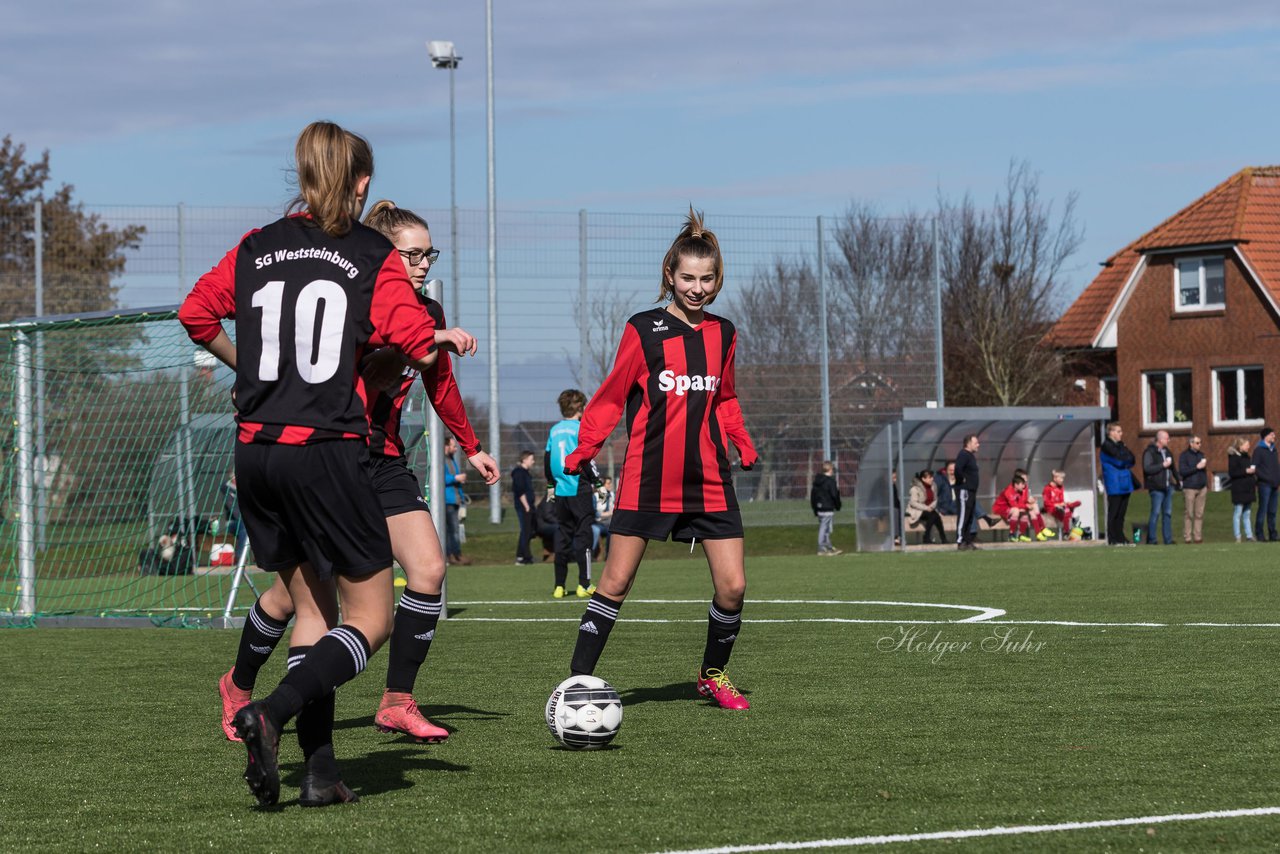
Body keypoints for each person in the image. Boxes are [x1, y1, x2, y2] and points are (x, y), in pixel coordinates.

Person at [178, 121, 442, 807]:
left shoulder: (256, 246)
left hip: (256, 451)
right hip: (324, 451)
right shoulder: (369, 253)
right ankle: (270, 710)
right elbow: (414, 343)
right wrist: (417, 345)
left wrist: (251, 374)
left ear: (300, 178)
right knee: (373, 617)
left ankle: (320, 774)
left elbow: (195, 313)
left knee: (313, 609)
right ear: (361, 184)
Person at [211, 199, 500, 755]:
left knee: (429, 569)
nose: (421, 264)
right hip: (328, 456)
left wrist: (473, 446)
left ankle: (396, 700)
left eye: (427, 254)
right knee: (294, 598)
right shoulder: (351, 296)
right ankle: (239, 685)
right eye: (411, 254)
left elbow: (440, 384)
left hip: (383, 458)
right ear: (382, 254)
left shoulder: (429, 314)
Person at [560, 208, 758, 710]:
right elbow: (609, 398)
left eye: (706, 278)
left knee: (733, 586)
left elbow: (726, 399)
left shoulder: (725, 333)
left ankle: (713, 675)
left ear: (718, 280)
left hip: (711, 480)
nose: (696, 287)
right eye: (687, 277)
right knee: (616, 581)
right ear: (669, 275)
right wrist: (585, 449)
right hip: (650, 479)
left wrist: (741, 439)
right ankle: (576, 683)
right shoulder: (642, 329)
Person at [546, 389, 599, 599]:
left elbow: (547, 459)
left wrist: (550, 484)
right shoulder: (580, 428)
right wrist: (598, 482)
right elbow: (585, 459)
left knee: (563, 535)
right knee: (583, 536)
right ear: (579, 407)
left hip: (560, 491)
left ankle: (559, 586)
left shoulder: (554, 430)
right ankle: (583, 584)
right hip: (579, 488)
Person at [1100, 422, 1137, 546]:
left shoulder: (1121, 445)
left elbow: (1132, 459)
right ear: (1111, 432)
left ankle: (1120, 537)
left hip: (1125, 482)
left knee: (1121, 513)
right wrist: (1125, 458)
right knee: (1114, 512)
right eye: (1118, 431)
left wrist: (1125, 456)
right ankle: (1112, 538)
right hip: (1114, 482)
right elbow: (1119, 461)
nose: (1121, 434)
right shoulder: (1107, 445)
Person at [992, 473, 1052, 542]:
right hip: (1000, 508)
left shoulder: (1021, 490)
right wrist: (1027, 506)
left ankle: (1022, 535)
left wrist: (1029, 502)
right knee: (1016, 510)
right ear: (1016, 485)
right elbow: (1014, 505)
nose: (1024, 485)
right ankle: (1012, 535)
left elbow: (1021, 503)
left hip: (1011, 508)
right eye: (1022, 483)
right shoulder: (1009, 491)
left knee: (1025, 513)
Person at [1142, 429, 1178, 545]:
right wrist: (1162, 465)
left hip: (1168, 487)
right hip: (1156, 487)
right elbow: (1147, 468)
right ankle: (1152, 539)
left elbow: (1173, 468)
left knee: (1167, 514)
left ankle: (1168, 539)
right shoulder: (1149, 452)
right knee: (1155, 513)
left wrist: (1178, 481)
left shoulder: (1167, 452)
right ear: (1160, 439)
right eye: (1167, 438)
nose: (1169, 440)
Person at [443, 435, 471, 565]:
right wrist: (456, 478)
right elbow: (440, 478)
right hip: (447, 501)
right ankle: (451, 555)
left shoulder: (451, 460)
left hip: (455, 500)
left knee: (454, 529)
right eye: (453, 446)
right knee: (451, 529)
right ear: (446, 446)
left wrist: (461, 498)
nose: (455, 449)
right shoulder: (441, 460)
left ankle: (455, 554)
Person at [1177, 435, 1208, 544]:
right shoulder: (1184, 456)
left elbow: (1204, 470)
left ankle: (1198, 536)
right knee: (1189, 513)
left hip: (1202, 487)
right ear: (1191, 443)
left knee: (1199, 513)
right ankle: (1187, 537)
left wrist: (1205, 483)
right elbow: (1182, 471)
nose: (1200, 445)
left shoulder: (1201, 455)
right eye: (1197, 443)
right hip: (1189, 487)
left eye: (1200, 442)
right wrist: (1196, 467)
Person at [1251, 426, 1279, 541]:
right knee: (1263, 509)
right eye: (1272, 435)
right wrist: (1265, 478)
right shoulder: (1258, 450)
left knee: (1272, 511)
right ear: (1266, 436)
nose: (1274, 436)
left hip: (1274, 485)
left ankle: (1273, 533)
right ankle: (1259, 533)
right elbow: (1254, 468)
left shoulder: (1274, 450)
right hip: (1264, 485)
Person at [1228, 437, 1257, 543]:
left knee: (1247, 513)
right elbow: (1232, 473)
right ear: (1240, 446)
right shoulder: (1233, 457)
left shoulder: (1247, 457)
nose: (1248, 446)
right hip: (1239, 489)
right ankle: (1237, 536)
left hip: (1248, 489)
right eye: (1246, 445)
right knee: (1238, 513)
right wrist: (1246, 471)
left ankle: (1249, 536)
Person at [809, 460, 843, 555]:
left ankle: (829, 547)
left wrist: (815, 509)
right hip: (827, 508)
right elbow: (834, 495)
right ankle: (821, 548)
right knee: (824, 528)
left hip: (819, 508)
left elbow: (813, 496)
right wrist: (838, 505)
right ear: (831, 469)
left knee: (826, 528)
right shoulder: (830, 482)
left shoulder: (817, 482)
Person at [954, 434, 981, 550]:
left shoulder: (970, 456)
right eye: (976, 443)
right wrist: (963, 479)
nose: (978, 445)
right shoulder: (963, 454)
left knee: (970, 516)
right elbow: (958, 469)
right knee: (964, 516)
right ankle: (960, 541)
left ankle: (968, 540)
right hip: (965, 490)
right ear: (968, 443)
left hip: (971, 491)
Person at [905, 469, 945, 545]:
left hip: (930, 509)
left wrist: (931, 507)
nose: (932, 479)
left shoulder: (934, 486)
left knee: (936, 517)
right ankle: (928, 537)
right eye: (929, 477)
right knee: (933, 516)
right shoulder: (915, 489)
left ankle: (942, 538)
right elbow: (913, 503)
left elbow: (936, 499)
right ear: (923, 479)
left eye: (932, 477)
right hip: (917, 510)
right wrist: (926, 508)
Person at [512, 450, 537, 564]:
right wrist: (526, 505)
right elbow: (520, 490)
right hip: (523, 506)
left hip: (529, 505)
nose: (533, 462)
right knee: (526, 531)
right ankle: (525, 557)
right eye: (531, 459)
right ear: (525, 459)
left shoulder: (526, 472)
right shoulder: (519, 473)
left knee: (527, 531)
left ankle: (521, 555)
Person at [1041, 469, 1083, 540]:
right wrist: (1056, 505)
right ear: (1054, 478)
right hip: (1051, 509)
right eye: (1060, 478)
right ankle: (1066, 532)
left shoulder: (1061, 487)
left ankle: (1066, 533)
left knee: (1067, 509)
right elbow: (1046, 503)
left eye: (1063, 478)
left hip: (1060, 507)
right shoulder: (1047, 488)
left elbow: (1061, 499)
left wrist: (1063, 503)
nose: (1062, 480)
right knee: (1067, 510)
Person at [592, 475, 615, 560]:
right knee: (595, 530)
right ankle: (591, 554)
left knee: (612, 531)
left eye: (610, 483)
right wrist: (606, 514)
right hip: (597, 523)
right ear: (603, 485)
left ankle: (609, 556)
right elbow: (593, 513)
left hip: (608, 523)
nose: (610, 485)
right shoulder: (596, 495)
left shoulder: (612, 495)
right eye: (608, 484)